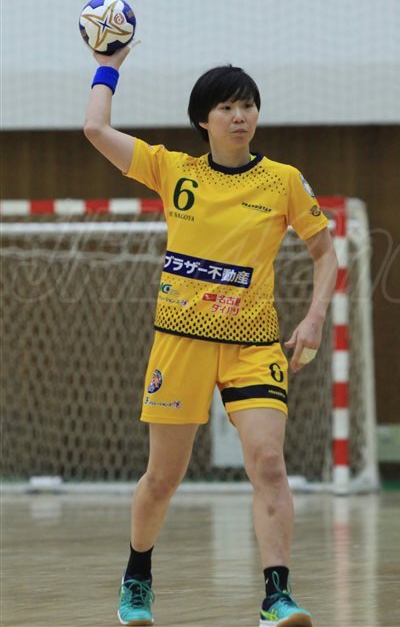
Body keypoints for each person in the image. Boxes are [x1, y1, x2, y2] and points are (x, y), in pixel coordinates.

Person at [83, 42, 338, 627]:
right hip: (181, 344)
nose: (239, 116)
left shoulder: (283, 181)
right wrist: (108, 68)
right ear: (204, 119)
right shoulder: (174, 170)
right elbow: (95, 129)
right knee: (162, 478)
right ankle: (137, 578)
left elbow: (325, 253)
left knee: (268, 463)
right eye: (226, 107)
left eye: (247, 106)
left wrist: (315, 316)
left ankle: (276, 595)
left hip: (254, 345)